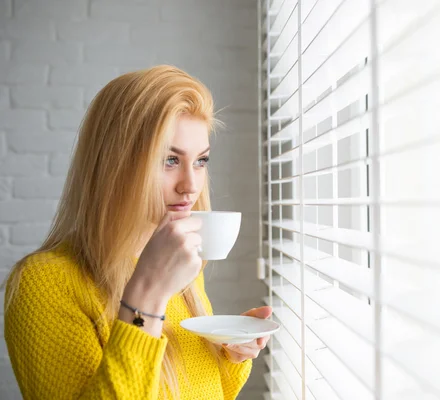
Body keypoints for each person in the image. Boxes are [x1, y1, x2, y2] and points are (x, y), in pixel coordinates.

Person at [3, 65, 270, 400]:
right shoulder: (45, 284)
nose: (190, 186)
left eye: (200, 161)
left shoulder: (183, 269)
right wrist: (145, 298)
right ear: (116, 164)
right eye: (169, 160)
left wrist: (232, 354)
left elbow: (213, 392)